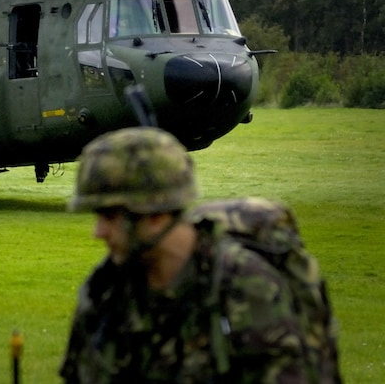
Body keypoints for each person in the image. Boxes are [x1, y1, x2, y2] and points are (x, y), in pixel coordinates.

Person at [60, 127, 307, 382]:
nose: (98, 232)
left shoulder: (244, 289)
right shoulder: (105, 293)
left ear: (155, 214)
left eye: (110, 216)